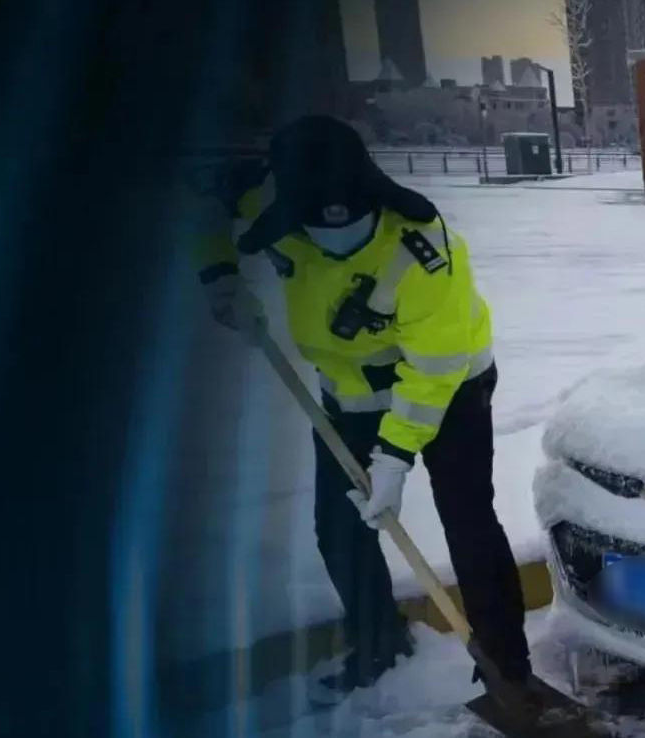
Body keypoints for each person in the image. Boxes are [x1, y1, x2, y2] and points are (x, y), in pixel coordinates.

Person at [193, 116, 531, 703]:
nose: (336, 237)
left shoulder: (424, 248)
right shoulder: (266, 200)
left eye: (352, 222)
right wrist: (221, 279)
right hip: (347, 396)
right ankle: (378, 646)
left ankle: (507, 663)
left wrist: (394, 460)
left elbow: (432, 368)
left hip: (450, 390)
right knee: (340, 528)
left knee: (468, 518)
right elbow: (205, 211)